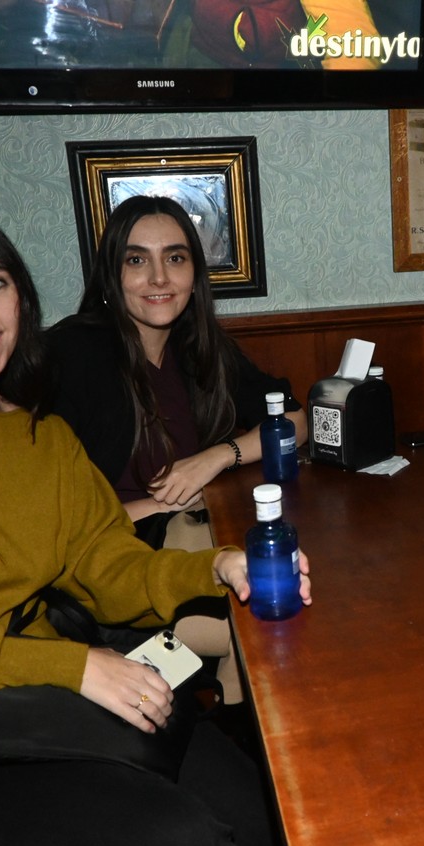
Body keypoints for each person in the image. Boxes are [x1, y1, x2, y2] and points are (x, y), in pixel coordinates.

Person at [0, 202, 311, 846]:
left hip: (47, 698)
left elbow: (108, 566)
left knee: (264, 807)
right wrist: (74, 667)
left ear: (20, 295)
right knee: (183, 836)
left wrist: (215, 566)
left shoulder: (42, 435)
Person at [47, 196, 306, 709]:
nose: (159, 277)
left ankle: (238, 722)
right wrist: (159, 504)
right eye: (136, 260)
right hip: (113, 569)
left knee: (286, 581)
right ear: (112, 274)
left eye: (176, 257)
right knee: (272, 612)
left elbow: (295, 422)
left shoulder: (197, 345)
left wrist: (215, 457)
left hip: (190, 539)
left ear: (195, 273)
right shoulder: (75, 351)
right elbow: (52, 523)